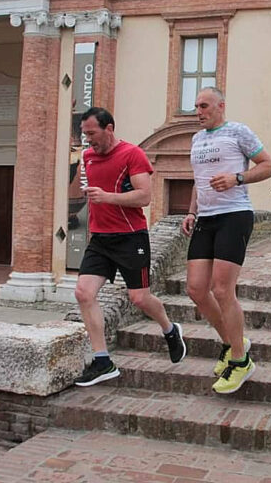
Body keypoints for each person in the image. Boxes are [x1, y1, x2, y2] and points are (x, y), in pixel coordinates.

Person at [73, 107, 186, 387]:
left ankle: (170, 330)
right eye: (84, 134)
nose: (88, 140)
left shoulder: (132, 154)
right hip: (100, 238)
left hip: (131, 236)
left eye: (92, 133)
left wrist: (107, 198)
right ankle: (103, 360)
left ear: (109, 128)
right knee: (83, 293)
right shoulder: (87, 156)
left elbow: (145, 197)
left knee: (139, 298)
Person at [181, 87, 271, 394]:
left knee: (222, 289)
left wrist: (237, 178)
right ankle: (232, 342)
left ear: (220, 105)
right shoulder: (197, 139)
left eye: (204, 105)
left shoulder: (238, 131)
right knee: (196, 288)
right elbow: (198, 180)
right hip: (205, 218)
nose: (199, 111)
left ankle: (239, 359)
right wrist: (191, 211)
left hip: (234, 215)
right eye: (196, 106)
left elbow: (267, 166)